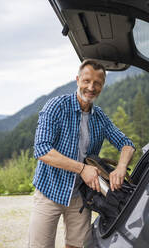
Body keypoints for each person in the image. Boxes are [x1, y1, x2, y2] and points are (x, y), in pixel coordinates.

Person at [28, 59, 135, 248]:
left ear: (102, 86)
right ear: (78, 80)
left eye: (97, 83)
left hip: (80, 196)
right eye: (86, 81)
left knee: (77, 246)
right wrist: (82, 168)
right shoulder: (56, 107)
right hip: (49, 192)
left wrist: (121, 167)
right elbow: (42, 149)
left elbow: (127, 144)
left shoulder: (100, 117)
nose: (91, 87)